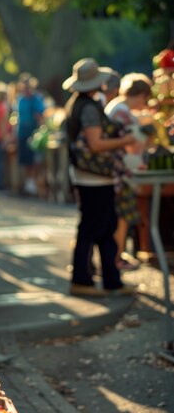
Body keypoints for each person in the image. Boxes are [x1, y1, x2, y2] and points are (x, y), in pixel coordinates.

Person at [63, 58, 137, 297]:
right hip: (94, 179)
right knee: (93, 228)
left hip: (90, 178)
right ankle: (83, 280)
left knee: (103, 228)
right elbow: (96, 144)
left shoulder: (79, 105)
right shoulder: (88, 108)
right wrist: (125, 141)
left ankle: (110, 280)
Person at [105, 73, 153, 270]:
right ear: (140, 94)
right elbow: (134, 144)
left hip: (115, 169)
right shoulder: (123, 111)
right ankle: (116, 258)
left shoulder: (116, 106)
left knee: (118, 216)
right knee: (122, 216)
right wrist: (146, 129)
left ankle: (116, 257)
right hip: (119, 170)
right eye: (145, 97)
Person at [16, 74, 45, 196]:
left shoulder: (36, 99)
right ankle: (28, 183)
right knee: (25, 160)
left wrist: (41, 130)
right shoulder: (20, 99)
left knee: (34, 160)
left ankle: (33, 184)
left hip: (33, 133)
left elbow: (40, 116)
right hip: (22, 132)